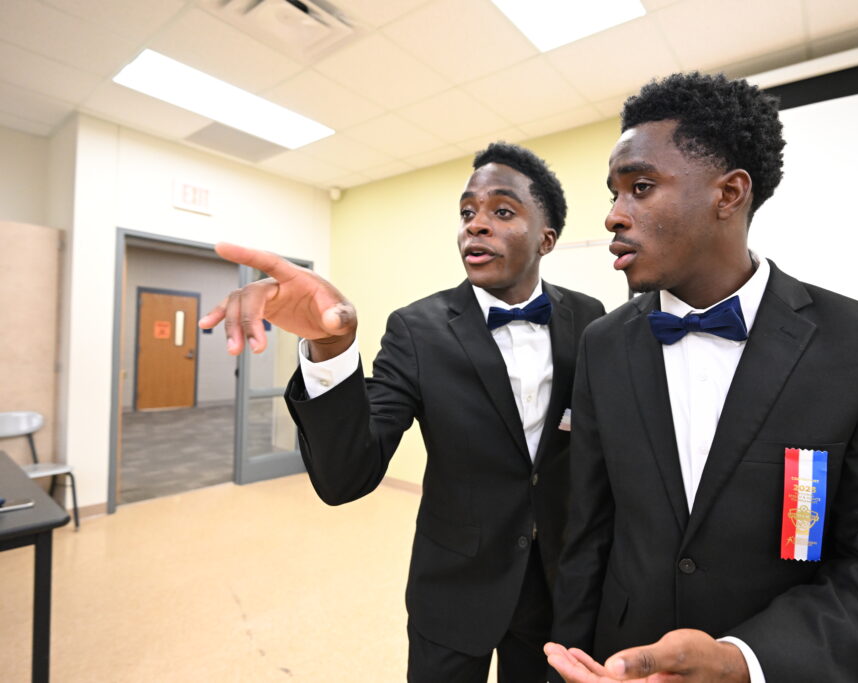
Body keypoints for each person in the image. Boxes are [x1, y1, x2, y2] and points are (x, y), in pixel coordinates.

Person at [545, 72, 858, 683]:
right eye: (614, 193)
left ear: (729, 193)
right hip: (621, 663)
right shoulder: (603, 344)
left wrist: (744, 660)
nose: (613, 216)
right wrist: (570, 663)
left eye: (641, 187)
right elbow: (589, 532)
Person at [199, 142, 605, 682]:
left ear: (546, 239)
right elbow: (346, 477)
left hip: (555, 584)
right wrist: (331, 348)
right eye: (467, 212)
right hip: (454, 585)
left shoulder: (589, 318)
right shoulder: (417, 329)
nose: (476, 224)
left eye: (502, 211)